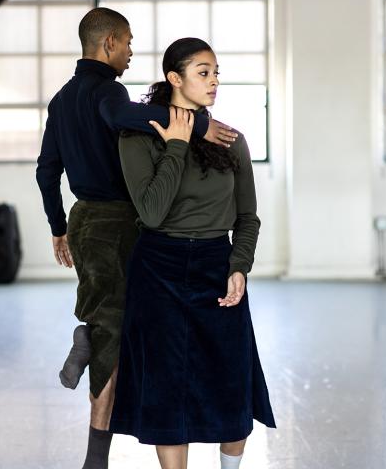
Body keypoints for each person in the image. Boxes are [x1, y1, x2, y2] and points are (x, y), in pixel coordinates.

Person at [36, 8, 238, 469]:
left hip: (84, 220)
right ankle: (95, 460)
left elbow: (46, 172)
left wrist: (58, 225)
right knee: (115, 340)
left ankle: (90, 330)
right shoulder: (108, 90)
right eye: (127, 42)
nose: (131, 52)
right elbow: (125, 113)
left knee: (123, 320)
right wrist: (198, 124)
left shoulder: (62, 100)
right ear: (108, 43)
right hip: (117, 225)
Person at [109, 37, 276, 469]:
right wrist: (178, 145)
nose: (214, 81)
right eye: (204, 72)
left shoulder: (231, 140)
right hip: (157, 269)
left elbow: (248, 217)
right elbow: (151, 210)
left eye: (217, 72)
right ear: (174, 78)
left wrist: (239, 268)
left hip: (215, 267)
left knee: (231, 384)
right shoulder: (136, 136)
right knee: (165, 391)